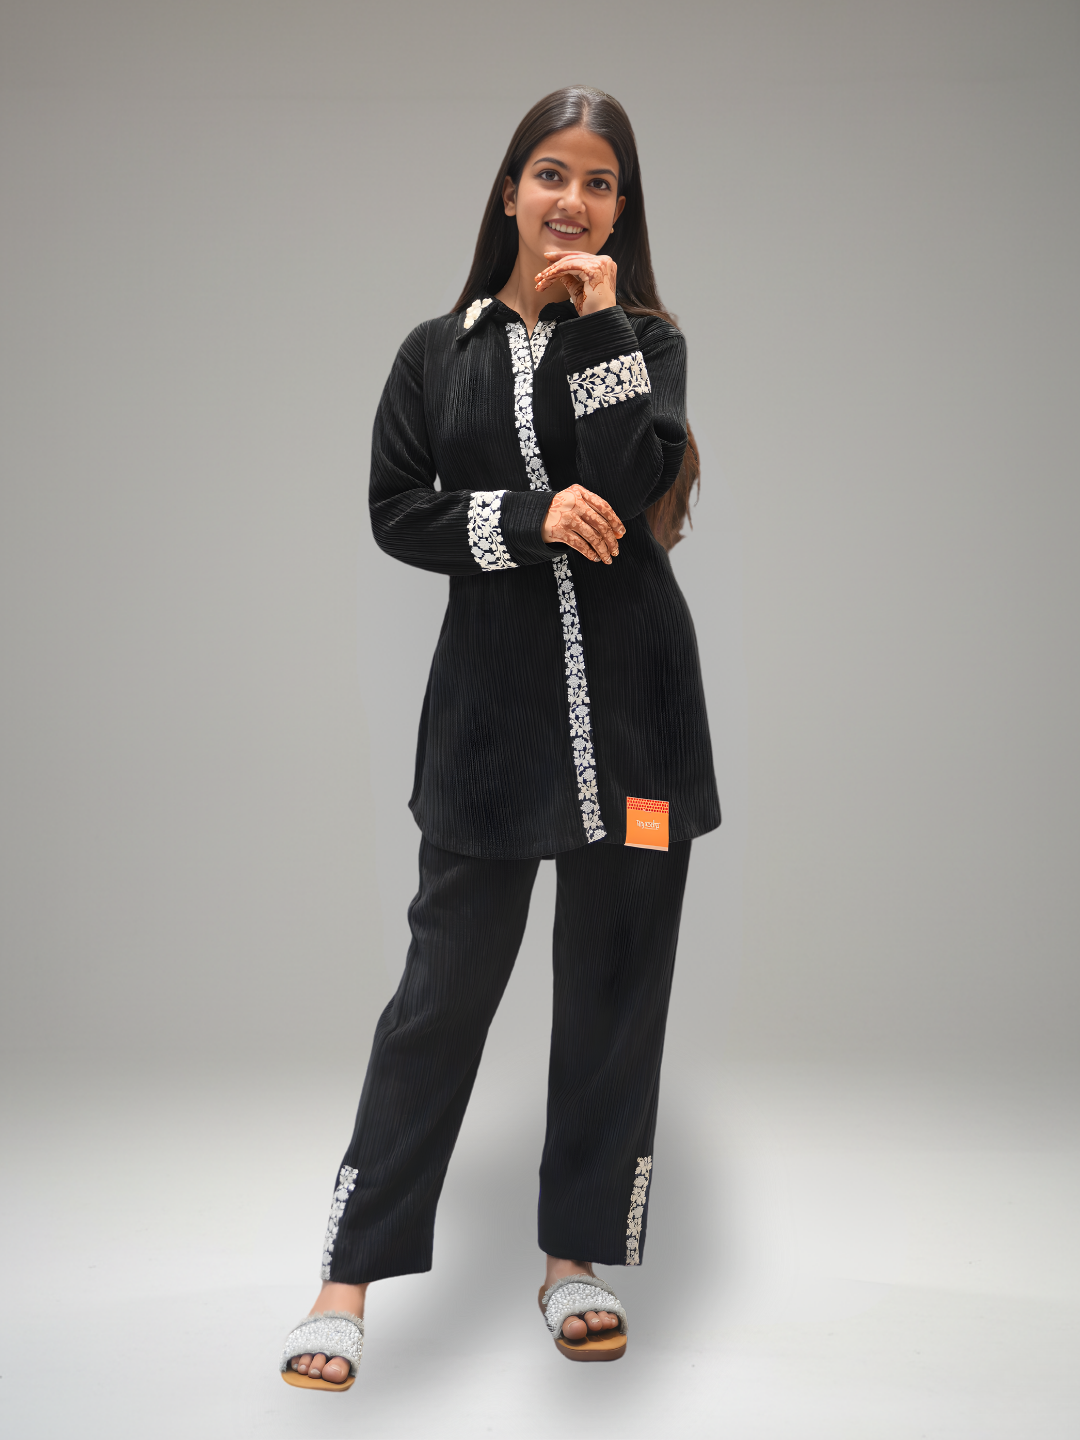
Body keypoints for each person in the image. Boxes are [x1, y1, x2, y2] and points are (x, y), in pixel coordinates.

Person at [280, 84, 720, 1389]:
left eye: (598, 181)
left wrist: (598, 329)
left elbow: (633, 478)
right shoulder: (437, 353)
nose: (571, 199)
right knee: (440, 999)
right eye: (551, 173)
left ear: (621, 209)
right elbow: (394, 510)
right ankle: (347, 1276)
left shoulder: (647, 342)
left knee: (613, 1001)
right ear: (511, 191)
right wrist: (525, 522)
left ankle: (570, 1261)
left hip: (639, 724)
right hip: (488, 725)